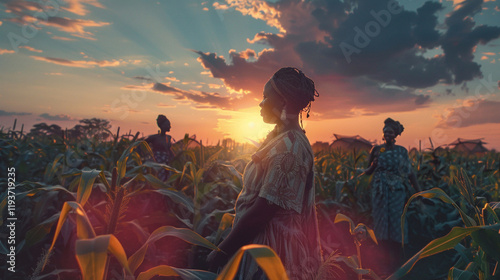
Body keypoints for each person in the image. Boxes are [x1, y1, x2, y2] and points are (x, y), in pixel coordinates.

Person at [207, 67, 322, 279]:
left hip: (270, 252)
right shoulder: (282, 139)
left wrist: (219, 254)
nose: (260, 104)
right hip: (263, 247)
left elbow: (260, 214)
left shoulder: (289, 148)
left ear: (284, 103)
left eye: (265, 97)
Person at [363, 118, 421, 276]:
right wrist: (373, 166)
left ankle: (397, 259)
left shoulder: (402, 151)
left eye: (391, 131)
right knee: (381, 219)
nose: (388, 133)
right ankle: (382, 258)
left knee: (396, 220)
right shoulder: (376, 149)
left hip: (396, 190)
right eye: (385, 131)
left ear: (395, 134)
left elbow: (409, 173)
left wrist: (419, 191)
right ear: (383, 133)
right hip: (380, 190)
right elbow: (367, 171)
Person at [145, 115, 175, 181]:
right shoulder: (154, 137)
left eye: (169, 125)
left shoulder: (169, 137)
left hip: (166, 163)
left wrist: (174, 158)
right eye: (167, 125)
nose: (169, 126)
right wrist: (142, 155)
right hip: (156, 163)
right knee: (156, 179)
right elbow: (141, 144)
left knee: (166, 180)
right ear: (161, 126)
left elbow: (169, 150)